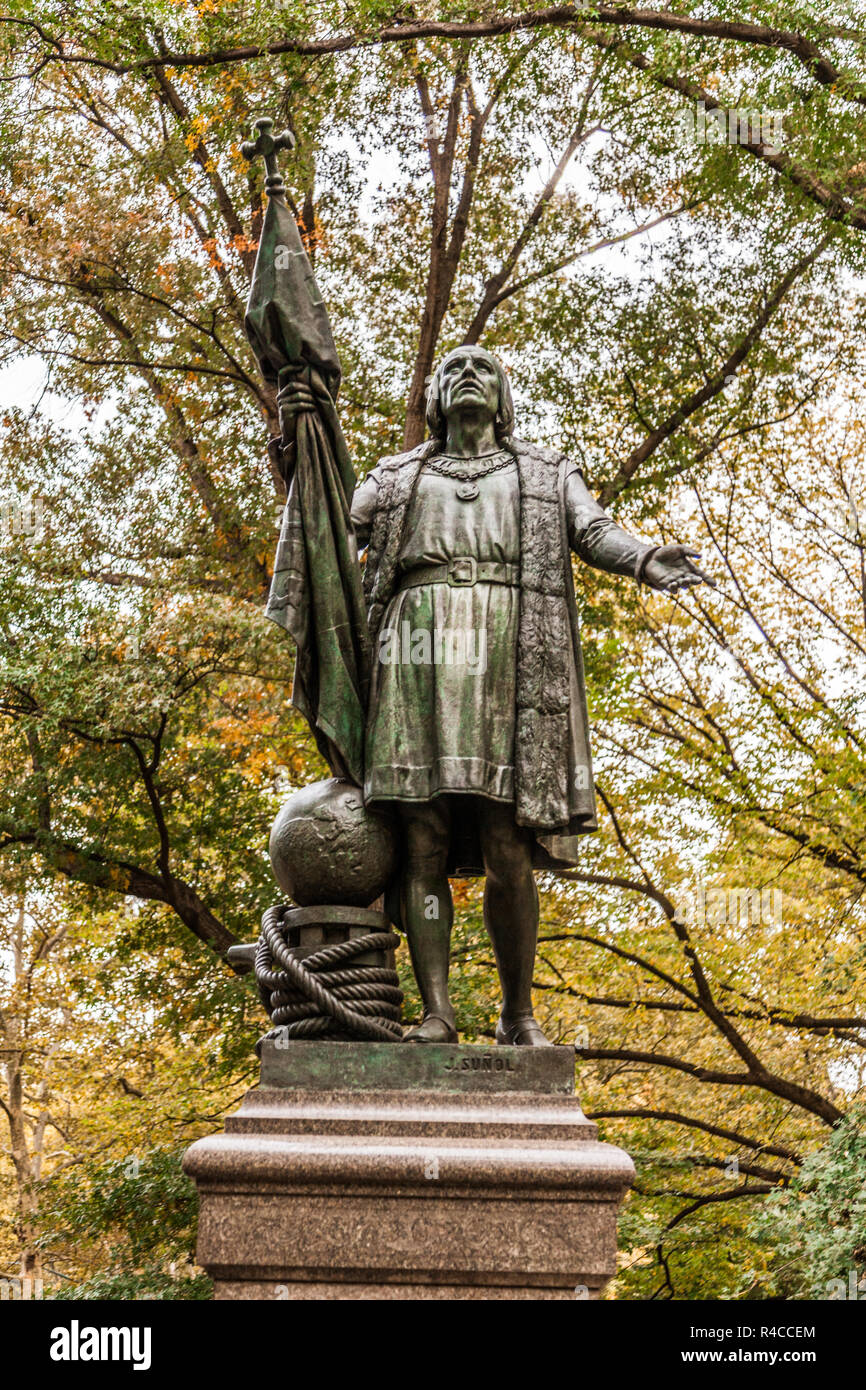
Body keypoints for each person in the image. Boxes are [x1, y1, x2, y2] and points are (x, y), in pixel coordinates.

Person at [279, 346, 713, 1044]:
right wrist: (296, 449)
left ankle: (519, 1017)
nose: (468, 375)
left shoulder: (544, 471)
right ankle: (438, 1015)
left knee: (509, 843)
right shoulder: (395, 477)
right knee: (422, 838)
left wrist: (644, 557)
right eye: (452, 370)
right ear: (434, 398)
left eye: (483, 367)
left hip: (510, 653)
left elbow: (593, 529)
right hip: (413, 652)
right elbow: (328, 530)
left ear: (505, 396)